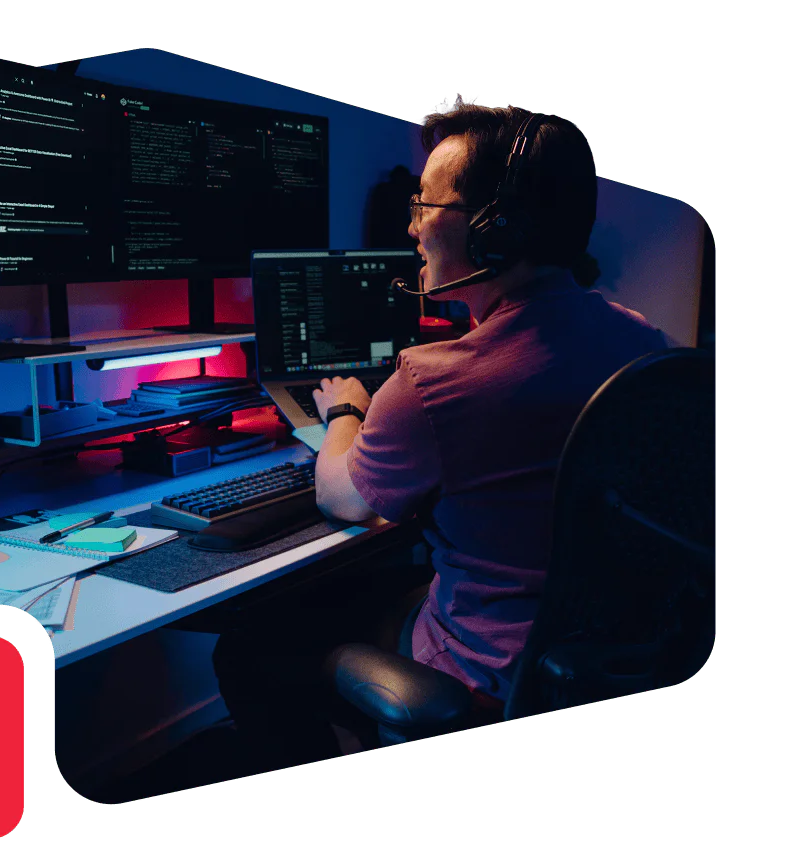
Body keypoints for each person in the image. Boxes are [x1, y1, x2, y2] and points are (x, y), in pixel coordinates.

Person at [211, 103, 669, 762]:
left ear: (495, 233)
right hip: (609, 652)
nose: (412, 225)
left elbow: (342, 499)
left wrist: (345, 411)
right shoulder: (645, 341)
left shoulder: (433, 381)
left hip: (487, 674)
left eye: (425, 205)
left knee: (250, 646)